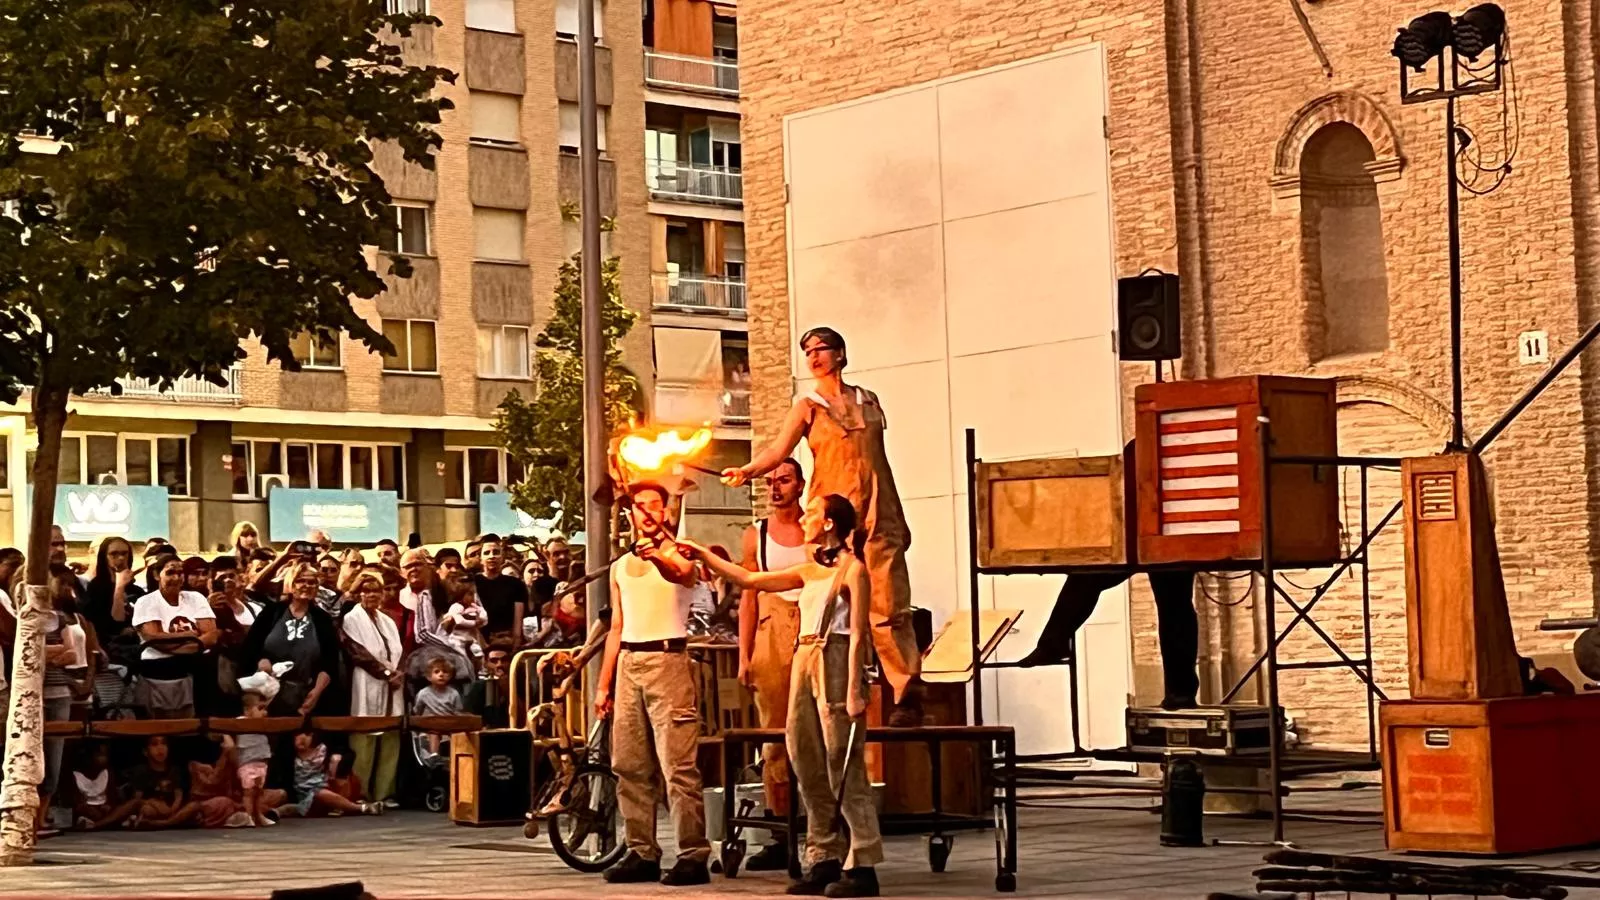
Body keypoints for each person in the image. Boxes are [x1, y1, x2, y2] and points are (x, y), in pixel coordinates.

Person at [683, 494, 883, 897]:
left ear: (830, 523)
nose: (805, 519)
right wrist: (703, 553)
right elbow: (750, 580)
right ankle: (823, 856)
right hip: (804, 656)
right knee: (804, 756)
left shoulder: (853, 570)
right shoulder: (810, 570)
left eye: (813, 513)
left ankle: (862, 861)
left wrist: (854, 689)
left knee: (840, 761)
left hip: (835, 657)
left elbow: (859, 633)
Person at [723, 326, 923, 726]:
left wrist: (896, 514)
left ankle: (905, 689)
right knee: (831, 596)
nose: (814, 357)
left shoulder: (868, 400)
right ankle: (836, 684)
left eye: (822, 349)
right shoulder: (808, 406)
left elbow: (878, 459)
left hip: (878, 506)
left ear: (840, 354)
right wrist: (747, 470)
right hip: (833, 509)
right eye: (808, 351)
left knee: (888, 598)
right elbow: (778, 449)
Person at [593, 481, 710, 886]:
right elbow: (617, 627)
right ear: (629, 514)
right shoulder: (620, 566)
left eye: (653, 505)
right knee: (629, 764)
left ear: (665, 511)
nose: (645, 512)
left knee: (678, 765)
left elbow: (682, 575)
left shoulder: (681, 551)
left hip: (668, 660)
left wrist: (657, 556)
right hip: (629, 661)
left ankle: (693, 854)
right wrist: (604, 684)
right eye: (638, 506)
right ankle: (641, 850)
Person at [736, 457, 809, 871]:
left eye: (784, 480)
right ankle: (780, 829)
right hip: (771, 630)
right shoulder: (757, 535)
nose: (776, 487)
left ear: (800, 484)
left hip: (811, 628)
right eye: (770, 482)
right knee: (774, 734)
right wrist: (744, 655)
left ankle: (823, 824)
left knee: (816, 731)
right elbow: (748, 597)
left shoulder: (816, 528)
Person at [244, 562, 343, 718]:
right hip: (266, 693)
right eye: (301, 581)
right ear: (291, 583)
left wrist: (317, 692)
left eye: (312, 582)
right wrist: (261, 660)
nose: (306, 586)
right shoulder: (272, 612)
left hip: (305, 693)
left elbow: (330, 661)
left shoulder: (322, 618)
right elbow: (251, 647)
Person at [341, 571, 405, 807]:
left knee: (390, 736)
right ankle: (361, 793)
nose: (372, 595)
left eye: (376, 590)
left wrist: (398, 673)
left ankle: (385, 793)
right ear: (358, 594)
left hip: (393, 684)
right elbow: (357, 652)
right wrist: (384, 673)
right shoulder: (351, 619)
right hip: (366, 680)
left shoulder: (387, 620)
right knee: (364, 737)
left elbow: (398, 650)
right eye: (366, 591)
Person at [133, 554, 218, 718]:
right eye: (170, 573)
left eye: (180, 573)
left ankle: (208, 722)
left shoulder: (196, 598)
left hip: (195, 659)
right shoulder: (146, 601)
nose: (177, 578)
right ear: (157, 575)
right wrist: (189, 635)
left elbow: (211, 636)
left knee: (211, 662)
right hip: (158, 662)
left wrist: (178, 645)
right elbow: (154, 639)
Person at [280, 729, 384, 818]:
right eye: (298, 736)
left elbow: (349, 754)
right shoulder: (289, 755)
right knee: (318, 794)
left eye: (307, 735)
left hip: (326, 785)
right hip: (305, 794)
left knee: (334, 785)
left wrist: (337, 760)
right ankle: (361, 808)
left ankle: (344, 805)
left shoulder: (322, 749)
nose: (302, 739)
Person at [124, 735, 203, 829]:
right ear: (145, 752)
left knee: (195, 806)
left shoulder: (174, 770)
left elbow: (178, 796)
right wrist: (154, 804)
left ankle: (162, 823)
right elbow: (137, 799)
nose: (160, 748)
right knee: (147, 810)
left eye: (164, 743)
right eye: (154, 744)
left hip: (172, 810)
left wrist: (171, 810)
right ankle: (171, 822)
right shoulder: (142, 771)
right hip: (153, 807)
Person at [82, 537, 140, 664]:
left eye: (124, 553)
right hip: (110, 650)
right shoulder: (96, 588)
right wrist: (119, 587)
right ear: (105, 557)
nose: (121, 558)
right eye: (114, 554)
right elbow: (113, 620)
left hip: (138, 648)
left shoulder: (137, 591)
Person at [474, 535, 528, 650]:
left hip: (507, 642)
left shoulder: (515, 584)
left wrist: (515, 645)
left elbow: (518, 621)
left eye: (496, 552)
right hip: (479, 643)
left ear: (502, 557)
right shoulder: (473, 583)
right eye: (487, 553)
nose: (492, 556)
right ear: (480, 558)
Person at [71, 742, 141, 831]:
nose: (103, 758)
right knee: (82, 815)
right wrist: (86, 808)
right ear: (90, 756)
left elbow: (113, 797)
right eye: (100, 755)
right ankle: (109, 823)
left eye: (105, 755)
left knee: (132, 804)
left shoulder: (108, 773)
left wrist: (108, 805)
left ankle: (98, 824)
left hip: (106, 811)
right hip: (88, 811)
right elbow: (75, 802)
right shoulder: (75, 775)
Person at [235, 692, 277, 826]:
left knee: (259, 792)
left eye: (265, 708)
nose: (265, 712)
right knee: (249, 791)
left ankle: (258, 815)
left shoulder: (264, 724)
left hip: (261, 763)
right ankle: (248, 816)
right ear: (247, 710)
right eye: (260, 708)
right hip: (247, 763)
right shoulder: (240, 721)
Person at [413, 657, 464, 755]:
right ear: (429, 676)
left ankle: (457, 754)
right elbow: (417, 711)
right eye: (436, 672)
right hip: (432, 724)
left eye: (445, 672)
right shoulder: (423, 693)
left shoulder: (453, 693)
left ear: (450, 676)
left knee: (459, 733)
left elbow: (458, 712)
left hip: (449, 723)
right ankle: (434, 755)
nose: (441, 674)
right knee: (434, 732)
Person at [440, 579, 487, 667]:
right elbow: (459, 621)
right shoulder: (456, 607)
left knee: (478, 654)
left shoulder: (474, 607)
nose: (473, 597)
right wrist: (474, 623)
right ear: (461, 595)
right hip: (457, 638)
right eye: (470, 594)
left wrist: (482, 618)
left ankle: (481, 669)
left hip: (471, 638)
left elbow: (484, 618)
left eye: (474, 594)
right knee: (461, 657)